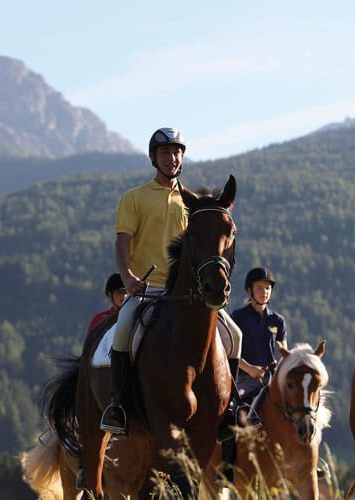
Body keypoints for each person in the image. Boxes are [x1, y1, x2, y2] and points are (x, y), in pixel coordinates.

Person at [100, 127, 243, 436]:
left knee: (236, 335)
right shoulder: (134, 198)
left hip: (190, 294)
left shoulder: (194, 204)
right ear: (154, 158)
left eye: (177, 152)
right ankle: (118, 405)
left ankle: (230, 408)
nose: (172, 157)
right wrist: (128, 277)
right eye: (165, 152)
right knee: (123, 331)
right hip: (148, 290)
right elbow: (122, 242)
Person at [231, 267, 287, 401]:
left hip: (271, 380)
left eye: (268, 288)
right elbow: (230, 351)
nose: (264, 292)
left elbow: (284, 353)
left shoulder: (278, 320)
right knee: (234, 405)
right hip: (244, 378)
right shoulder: (238, 317)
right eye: (259, 287)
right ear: (249, 290)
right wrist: (250, 369)